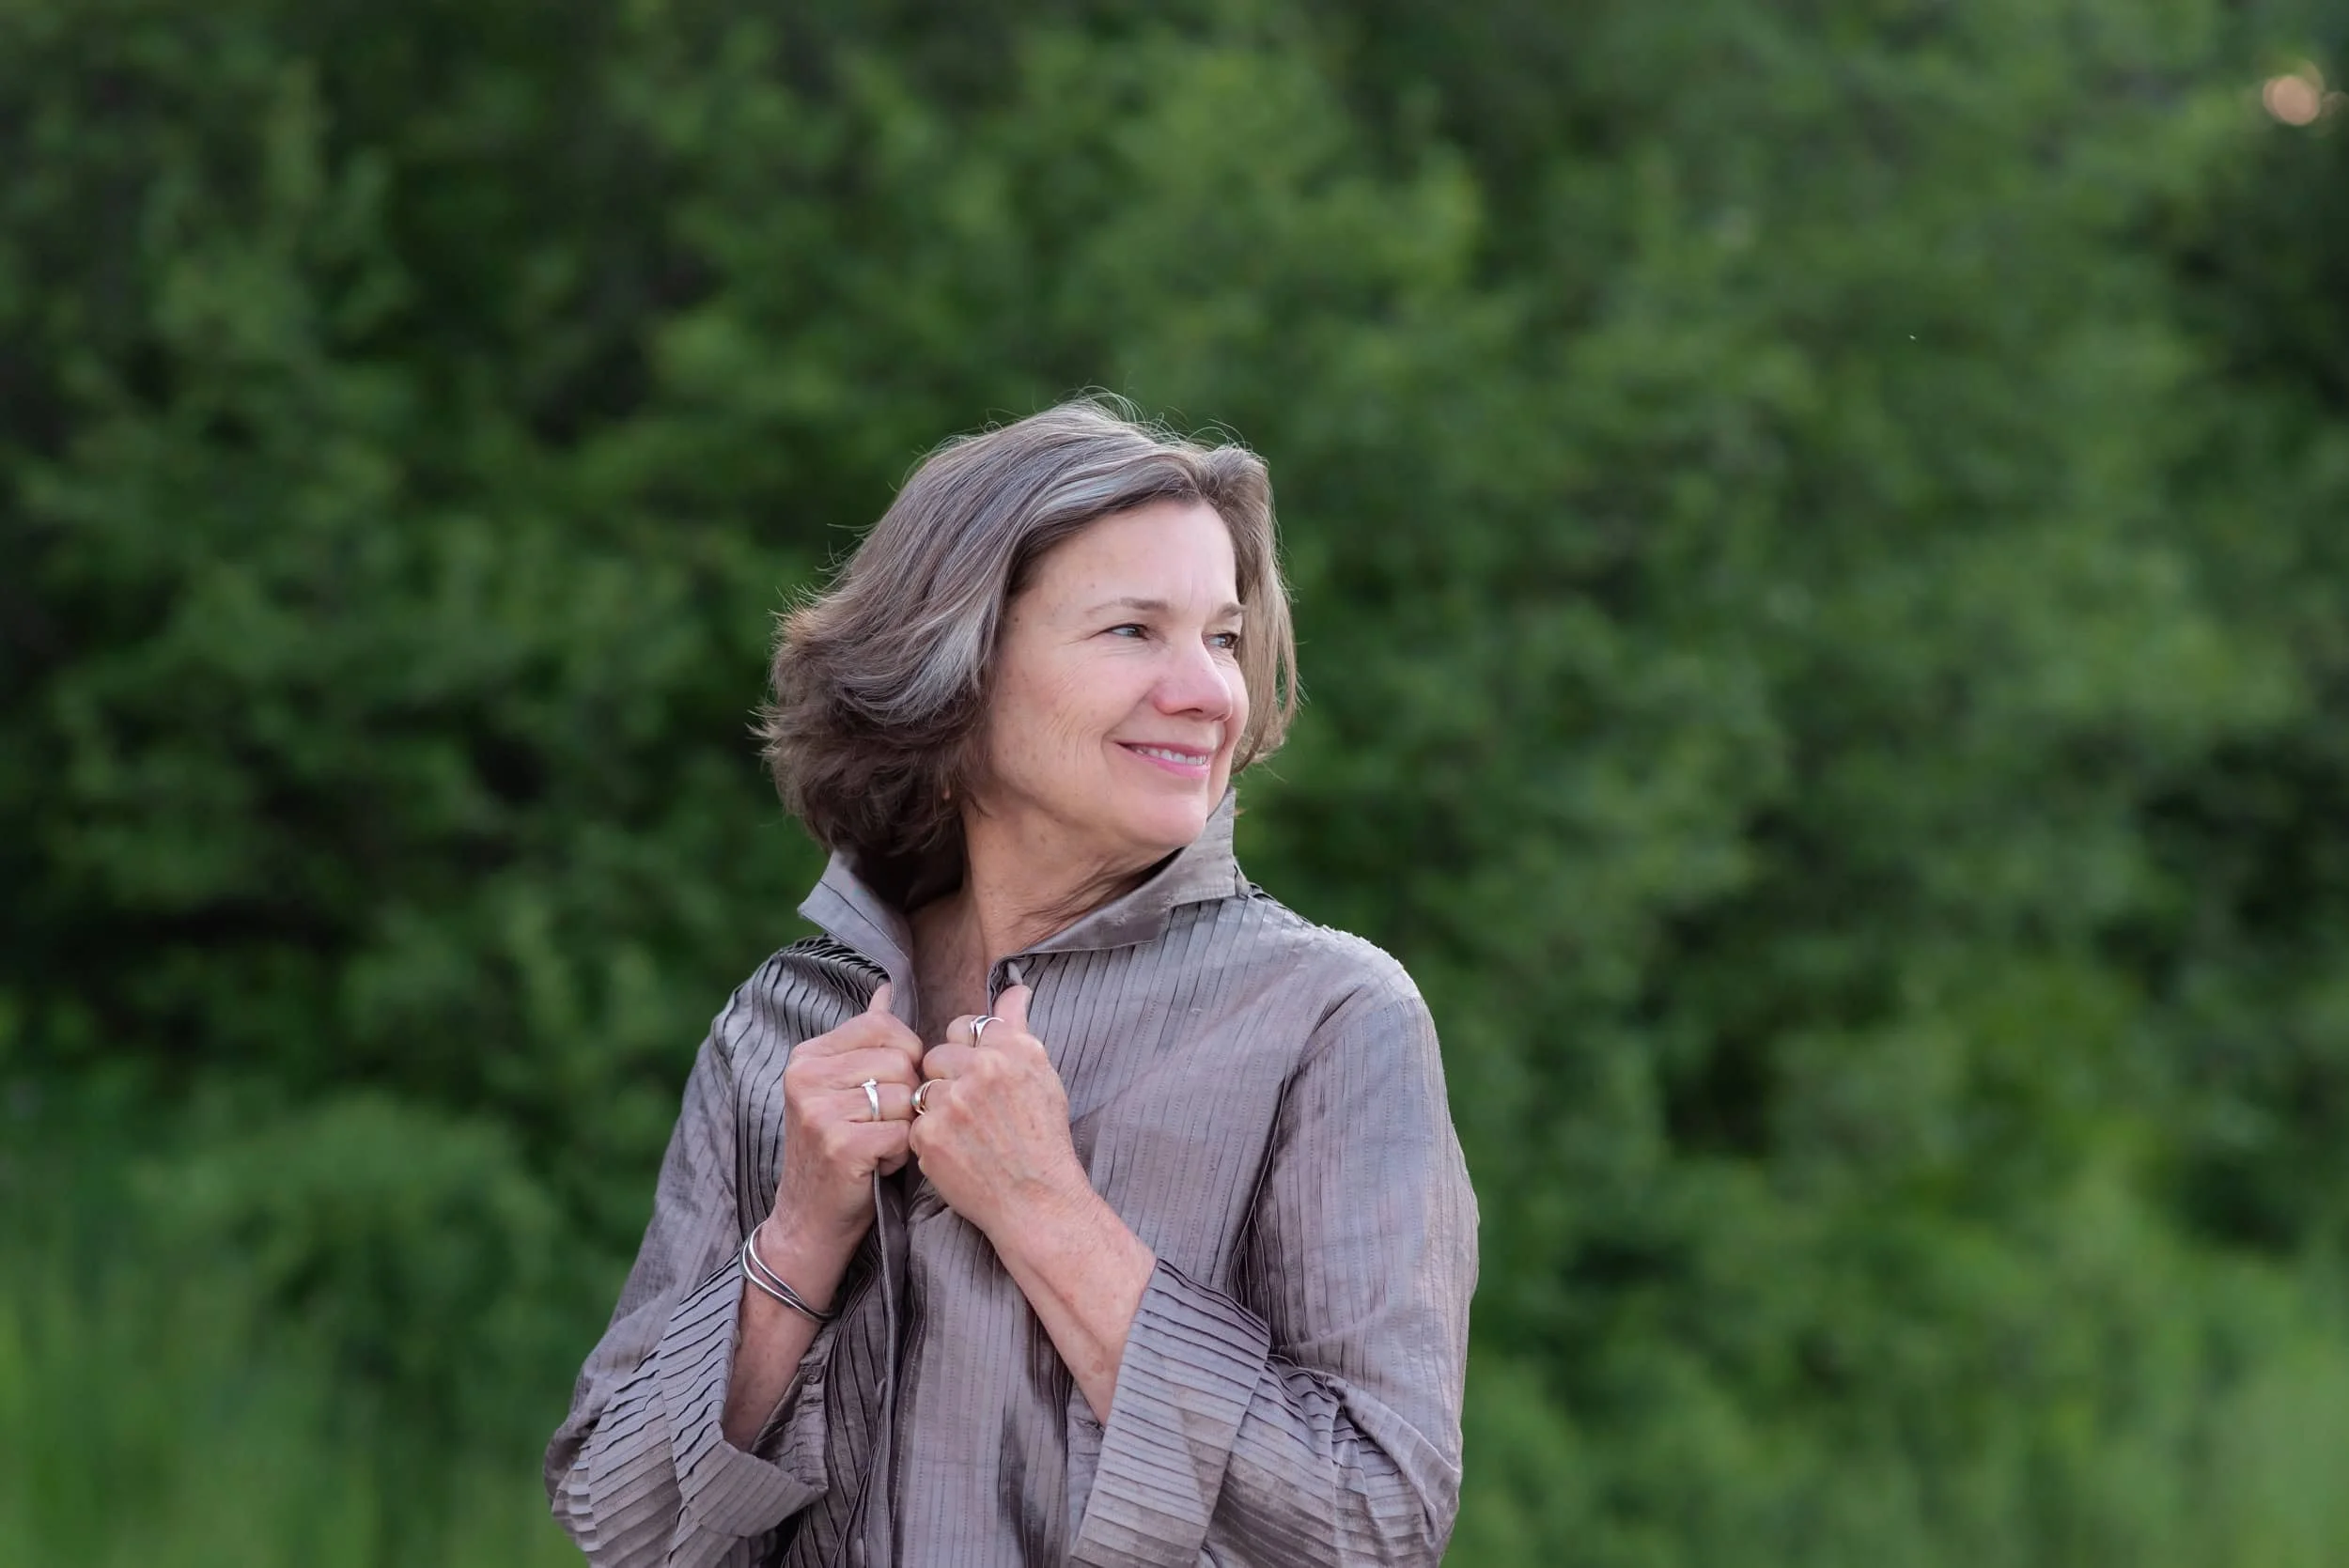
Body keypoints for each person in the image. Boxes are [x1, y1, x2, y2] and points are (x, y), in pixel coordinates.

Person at [545, 398, 1478, 1567]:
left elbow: (1370, 1528)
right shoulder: (784, 1025)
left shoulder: (1330, 1021)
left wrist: (1048, 1211)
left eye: (1224, 638)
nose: (1206, 692)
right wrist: (795, 1241)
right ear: (960, 669)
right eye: (1134, 630)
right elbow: (619, 1526)